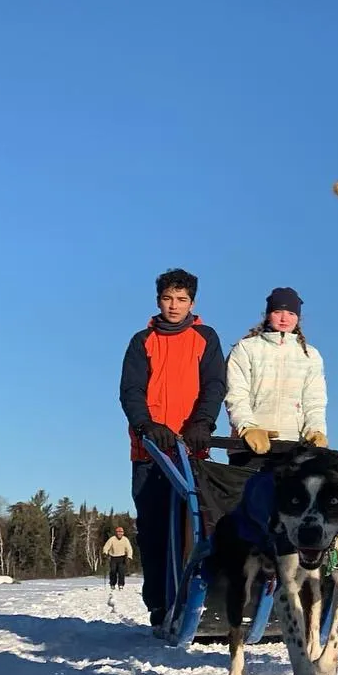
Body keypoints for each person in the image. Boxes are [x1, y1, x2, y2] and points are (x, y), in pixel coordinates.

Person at [118, 267, 227, 626]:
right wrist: (147, 425)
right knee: (153, 530)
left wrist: (202, 424)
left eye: (181, 299)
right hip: (150, 450)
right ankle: (159, 605)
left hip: (191, 450)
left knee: (194, 527)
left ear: (192, 302)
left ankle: (196, 600)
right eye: (168, 299)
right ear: (158, 301)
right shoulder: (142, 341)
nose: (174, 305)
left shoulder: (205, 338)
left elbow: (214, 385)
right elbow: (131, 391)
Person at [224, 287, 329, 471]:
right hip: (249, 446)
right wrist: (247, 427)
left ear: (298, 317)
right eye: (277, 312)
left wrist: (316, 431)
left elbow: (314, 401)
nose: (284, 318)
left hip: (293, 448)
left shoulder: (310, 355)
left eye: (290, 313)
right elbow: (236, 394)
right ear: (267, 314)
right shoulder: (246, 348)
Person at [101, 526, 134, 590]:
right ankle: (112, 584)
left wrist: (129, 557)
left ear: (123, 533)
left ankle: (121, 584)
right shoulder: (112, 539)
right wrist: (105, 553)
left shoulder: (125, 539)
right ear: (116, 533)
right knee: (113, 571)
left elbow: (129, 549)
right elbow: (106, 546)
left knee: (121, 572)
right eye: (118, 532)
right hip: (113, 557)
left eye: (121, 532)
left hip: (122, 557)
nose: (119, 534)